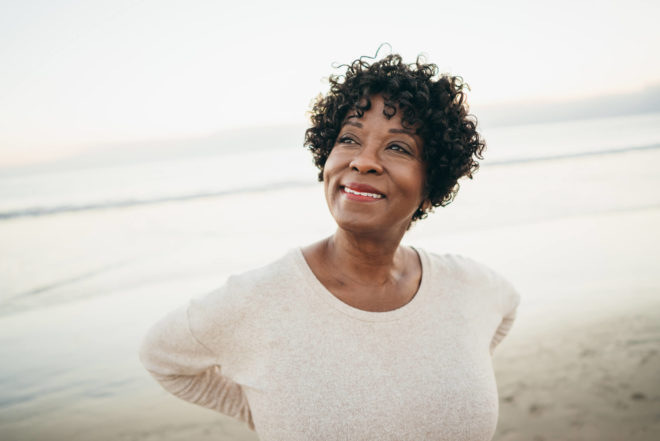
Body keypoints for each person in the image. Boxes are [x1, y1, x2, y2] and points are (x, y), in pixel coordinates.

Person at [139, 53, 520, 441]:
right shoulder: (261, 299)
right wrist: (260, 411)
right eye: (349, 139)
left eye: (399, 148)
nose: (364, 161)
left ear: (430, 189)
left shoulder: (470, 285)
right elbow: (162, 356)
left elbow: (506, 308)